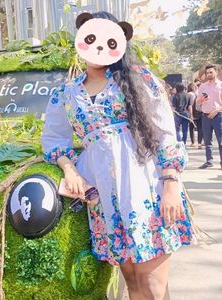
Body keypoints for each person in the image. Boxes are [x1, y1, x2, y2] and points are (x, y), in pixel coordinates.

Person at [42, 11, 194, 300]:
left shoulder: (139, 79)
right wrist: (69, 169)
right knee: (133, 284)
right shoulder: (66, 93)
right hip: (103, 198)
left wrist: (171, 183)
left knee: (153, 287)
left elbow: (164, 133)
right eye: (90, 37)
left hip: (146, 190)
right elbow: (54, 140)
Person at [196, 64, 222, 169]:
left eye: (211, 72)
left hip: (218, 116)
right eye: (207, 73)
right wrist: (202, 99)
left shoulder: (220, 85)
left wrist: (216, 110)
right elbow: (197, 102)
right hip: (205, 116)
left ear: (216, 72)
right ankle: (209, 161)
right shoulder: (203, 86)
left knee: (221, 141)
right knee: (207, 140)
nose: (209, 74)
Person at [187, 83, 203, 148]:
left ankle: (193, 142)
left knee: (191, 128)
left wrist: (191, 115)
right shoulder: (198, 94)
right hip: (200, 113)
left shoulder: (189, 94)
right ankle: (199, 143)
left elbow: (189, 105)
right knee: (200, 128)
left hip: (192, 114)